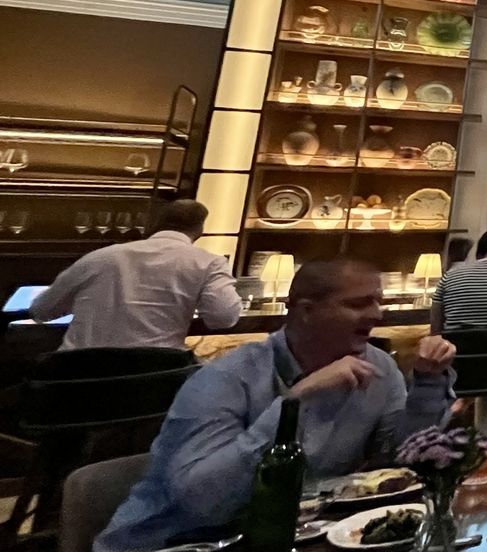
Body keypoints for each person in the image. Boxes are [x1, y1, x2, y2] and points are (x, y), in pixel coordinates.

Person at [97, 260, 457, 550]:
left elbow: (398, 461)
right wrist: (296, 401)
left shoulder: (379, 368)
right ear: (305, 310)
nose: (378, 314)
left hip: (300, 534)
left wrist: (427, 382)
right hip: (178, 540)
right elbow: (203, 504)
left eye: (378, 301)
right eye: (358, 303)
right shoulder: (225, 379)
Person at [30, 199, 240, 350]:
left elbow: (41, 310)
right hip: (152, 379)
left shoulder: (101, 257)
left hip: (78, 375)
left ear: (155, 224)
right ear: (199, 230)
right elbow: (224, 318)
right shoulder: (209, 263)